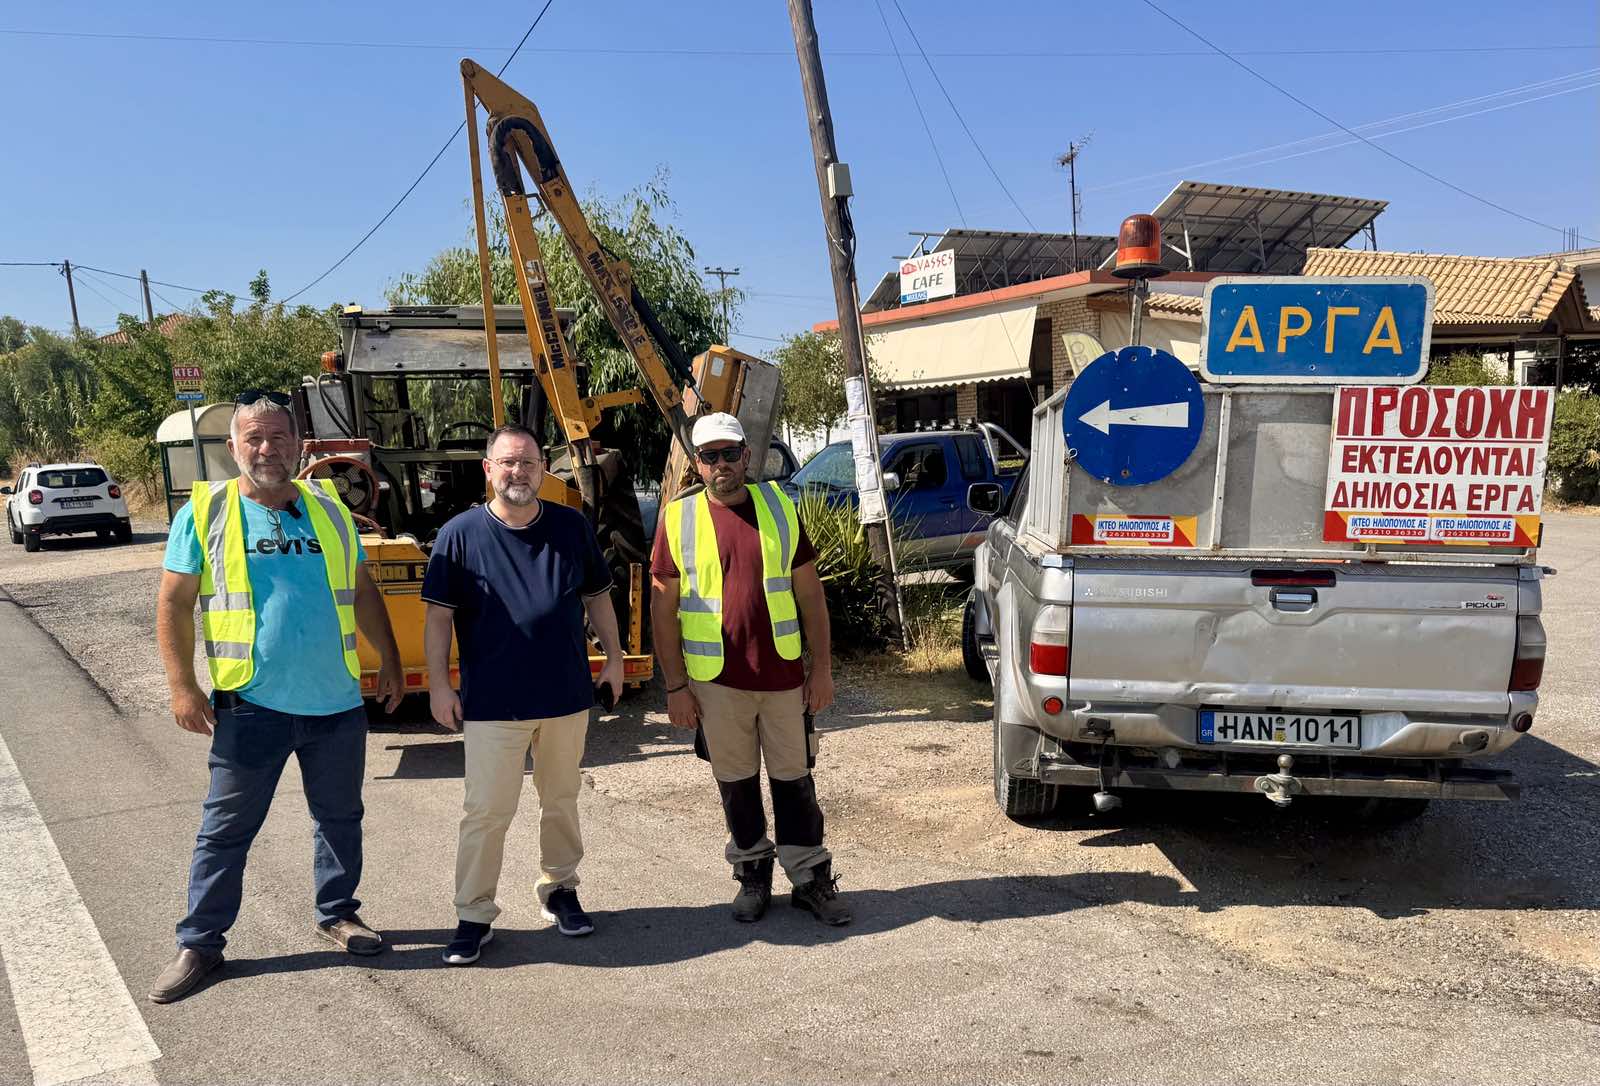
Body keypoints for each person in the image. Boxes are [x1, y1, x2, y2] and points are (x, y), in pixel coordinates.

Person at [149, 390, 403, 1005]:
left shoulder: (329, 508)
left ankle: (338, 913)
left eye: (279, 437)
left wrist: (391, 659)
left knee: (339, 818)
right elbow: (174, 603)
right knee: (225, 830)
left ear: (299, 445)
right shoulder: (206, 511)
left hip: (335, 703)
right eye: (254, 438)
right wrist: (182, 686)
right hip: (251, 707)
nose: (267, 449)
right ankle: (200, 942)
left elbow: (361, 587)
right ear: (233, 446)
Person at [423, 424, 623, 966]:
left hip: (565, 697)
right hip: (493, 703)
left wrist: (615, 658)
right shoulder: (459, 535)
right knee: (486, 811)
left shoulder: (570, 526)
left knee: (561, 799)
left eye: (529, 463)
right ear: (488, 469)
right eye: (508, 462)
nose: (518, 472)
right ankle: (473, 914)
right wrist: (439, 685)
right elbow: (438, 619)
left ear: (542, 470)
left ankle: (560, 890)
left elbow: (597, 598)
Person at [650, 412, 850, 926]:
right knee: (736, 784)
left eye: (729, 453)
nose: (721, 464)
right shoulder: (678, 518)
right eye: (710, 456)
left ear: (746, 456)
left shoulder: (780, 507)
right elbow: (662, 609)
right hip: (715, 682)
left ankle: (808, 878)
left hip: (782, 677)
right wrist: (675, 686)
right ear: (698, 464)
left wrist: (821, 670)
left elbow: (810, 595)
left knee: (795, 781)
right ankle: (752, 875)